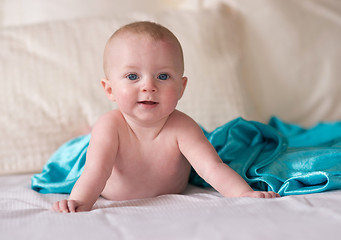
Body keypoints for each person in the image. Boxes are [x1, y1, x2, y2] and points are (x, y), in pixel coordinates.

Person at [52, 21, 280, 213]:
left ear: (181, 88)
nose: (148, 86)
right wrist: (80, 202)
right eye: (132, 76)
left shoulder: (183, 127)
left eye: (163, 76)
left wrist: (243, 194)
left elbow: (211, 167)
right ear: (109, 89)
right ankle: (87, 136)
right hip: (100, 162)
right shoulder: (111, 125)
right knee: (92, 146)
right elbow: (96, 170)